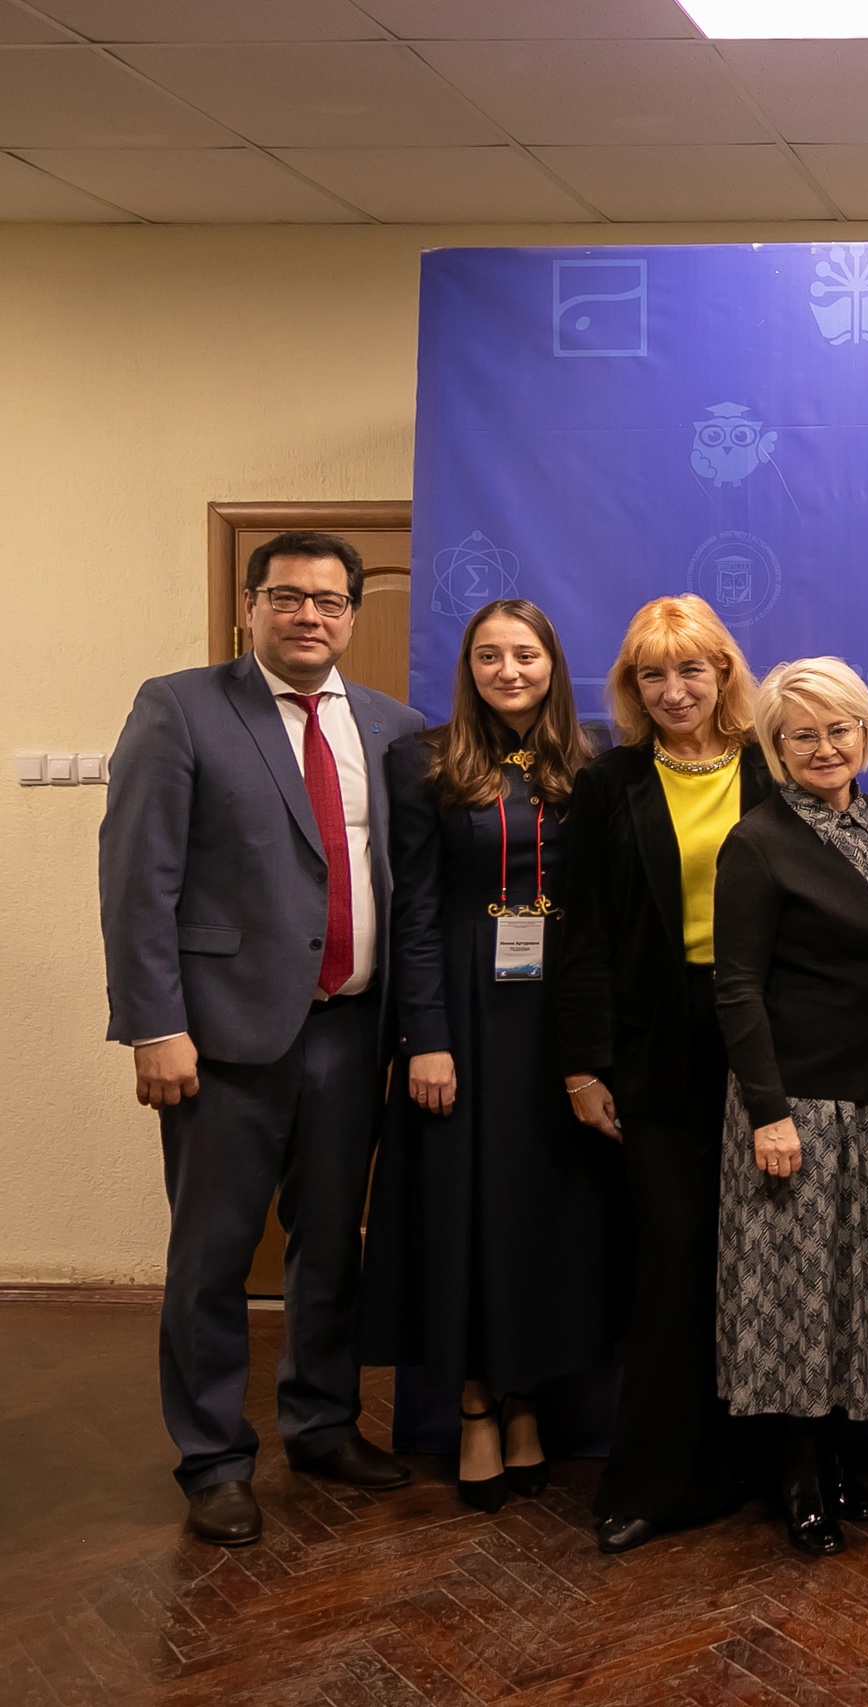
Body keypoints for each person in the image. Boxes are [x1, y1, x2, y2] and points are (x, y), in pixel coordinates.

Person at [100, 529, 426, 1545]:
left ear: (353, 615)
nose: (308, 616)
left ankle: (321, 1425)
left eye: (329, 601)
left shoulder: (395, 728)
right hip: (220, 1039)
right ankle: (213, 1458)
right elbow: (138, 877)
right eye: (287, 596)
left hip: (352, 1031)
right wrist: (155, 1024)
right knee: (214, 1255)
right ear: (250, 606)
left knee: (331, 1247)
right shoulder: (180, 707)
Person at [362, 599, 621, 1512]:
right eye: (489, 656)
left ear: (553, 662)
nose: (509, 671)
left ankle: (528, 1401)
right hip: (468, 1011)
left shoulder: (595, 757)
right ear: (468, 668)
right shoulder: (423, 761)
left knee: (548, 1211)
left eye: (525, 654)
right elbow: (415, 911)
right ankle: (475, 1403)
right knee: (466, 1206)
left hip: (564, 1009)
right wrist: (424, 1039)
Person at [555, 595, 775, 1555]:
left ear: (724, 674)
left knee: (768, 1258)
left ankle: (780, 1469)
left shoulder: (775, 768)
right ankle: (654, 1479)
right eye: (654, 674)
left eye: (692, 669)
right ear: (632, 687)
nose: (675, 690)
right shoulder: (610, 783)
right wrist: (582, 1064)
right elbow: (585, 933)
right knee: (672, 1260)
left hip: (767, 1040)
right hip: (655, 1048)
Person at [712, 658, 868, 1557]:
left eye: (840, 729)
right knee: (796, 1295)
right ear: (774, 746)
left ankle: (838, 1458)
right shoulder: (756, 841)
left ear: (865, 734)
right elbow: (736, 987)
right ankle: (799, 1476)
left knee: (858, 1284)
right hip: (797, 1101)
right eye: (801, 734)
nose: (824, 747)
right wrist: (767, 1112)